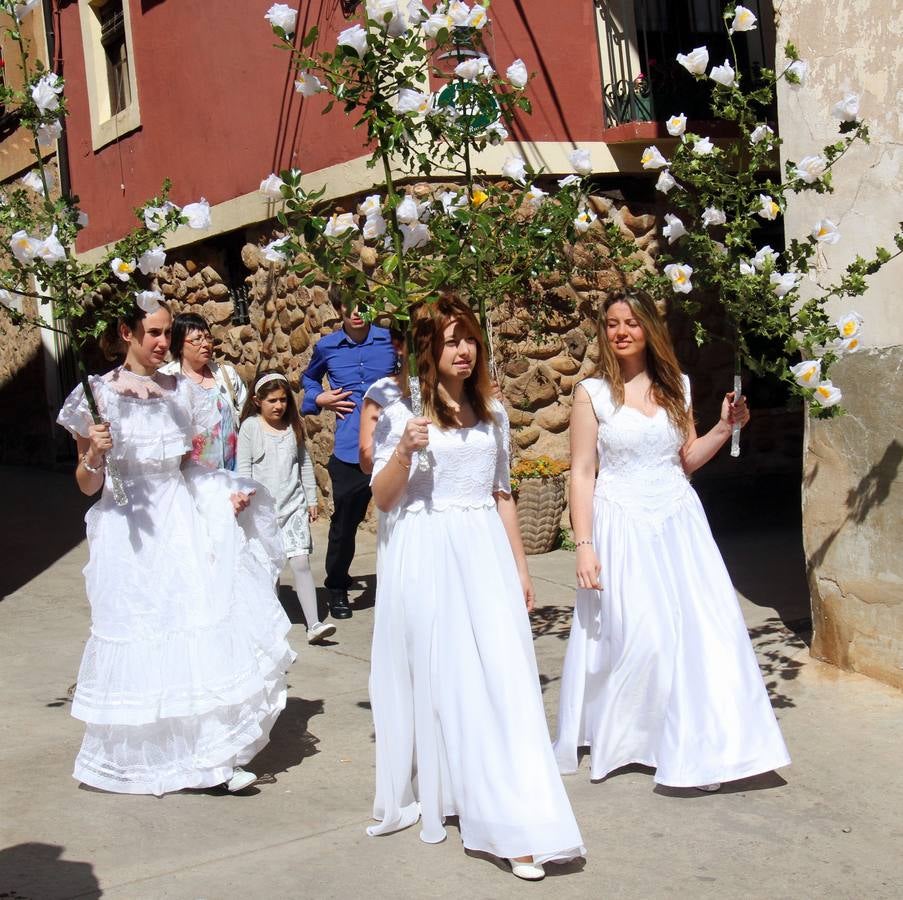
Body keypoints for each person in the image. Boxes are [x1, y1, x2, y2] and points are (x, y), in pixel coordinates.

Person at [367, 295, 585, 881]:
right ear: (428, 350)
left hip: (484, 550)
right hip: (428, 553)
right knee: (453, 681)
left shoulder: (493, 412)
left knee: (504, 677)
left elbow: (501, 493)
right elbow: (382, 500)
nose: (463, 350)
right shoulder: (401, 415)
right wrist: (406, 452)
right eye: (450, 340)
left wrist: (521, 569)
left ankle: (508, 800)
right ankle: (490, 811)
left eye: (469, 338)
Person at [56, 299, 295, 796]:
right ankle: (136, 758)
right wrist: (96, 454)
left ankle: (208, 759)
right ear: (126, 332)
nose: (165, 343)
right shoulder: (95, 396)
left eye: (168, 333)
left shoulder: (181, 391)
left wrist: (220, 491)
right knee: (141, 630)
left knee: (194, 628)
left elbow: (190, 465)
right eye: (155, 333)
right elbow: (84, 484)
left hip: (180, 522)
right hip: (128, 531)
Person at [554, 291, 791, 791]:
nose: (621, 331)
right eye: (613, 324)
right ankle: (633, 735)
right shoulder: (591, 394)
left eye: (631, 323)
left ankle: (690, 742)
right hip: (621, 524)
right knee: (644, 637)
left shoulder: (678, 386)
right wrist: (584, 544)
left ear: (648, 330)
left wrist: (725, 427)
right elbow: (580, 473)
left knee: (699, 633)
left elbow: (683, 459)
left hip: (678, 521)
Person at [300, 297, 395, 619]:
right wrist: (319, 398)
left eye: (363, 306)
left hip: (394, 447)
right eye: (350, 307)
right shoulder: (327, 347)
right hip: (350, 450)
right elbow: (309, 379)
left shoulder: (390, 340)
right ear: (339, 309)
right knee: (344, 524)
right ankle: (337, 587)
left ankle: (402, 586)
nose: (357, 313)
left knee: (402, 520)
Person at [238, 370, 335, 645]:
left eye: (282, 400)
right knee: (268, 568)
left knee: (301, 561)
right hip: (262, 510)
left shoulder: (294, 426)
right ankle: (270, 626)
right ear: (258, 401)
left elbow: (304, 463)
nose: (278, 405)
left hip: (293, 505)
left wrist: (311, 499)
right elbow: (244, 466)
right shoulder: (251, 428)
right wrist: (245, 499)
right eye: (272, 400)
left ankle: (313, 623)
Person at [159, 312, 247, 471]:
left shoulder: (226, 375)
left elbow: (246, 416)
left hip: (234, 471)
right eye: (197, 339)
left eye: (208, 337)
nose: (206, 344)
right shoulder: (166, 380)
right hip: (192, 476)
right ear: (179, 345)